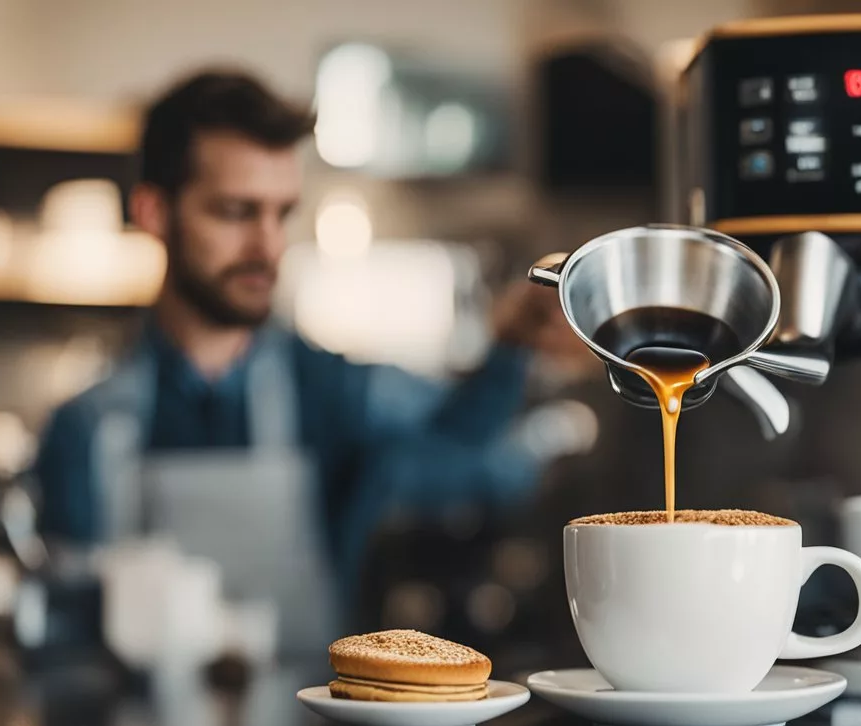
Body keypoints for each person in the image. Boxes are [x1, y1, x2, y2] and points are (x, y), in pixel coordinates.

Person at [33, 70, 584, 651]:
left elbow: (462, 429)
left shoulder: (325, 388)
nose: (268, 247)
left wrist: (513, 339)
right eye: (235, 211)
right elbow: (67, 647)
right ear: (152, 213)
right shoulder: (85, 429)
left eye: (281, 213)